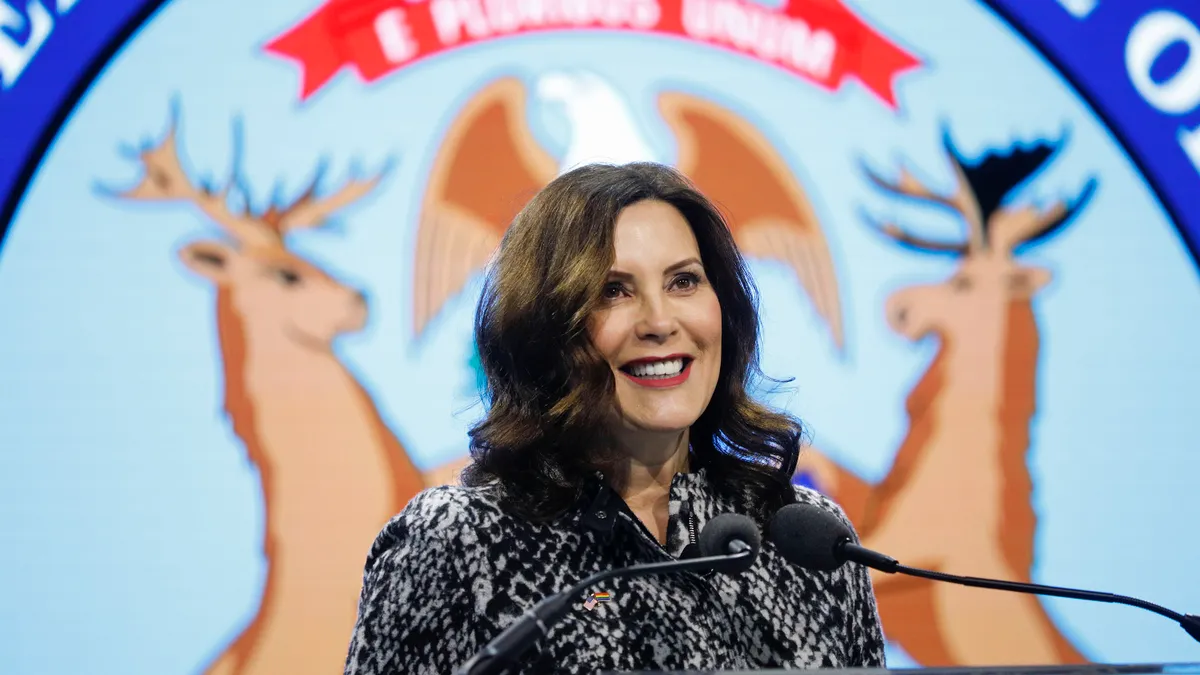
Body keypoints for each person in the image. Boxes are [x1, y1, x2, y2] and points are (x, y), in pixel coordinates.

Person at [343, 162, 885, 674]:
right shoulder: (456, 542)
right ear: (544, 331)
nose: (658, 321)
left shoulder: (804, 540)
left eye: (684, 282)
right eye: (613, 291)